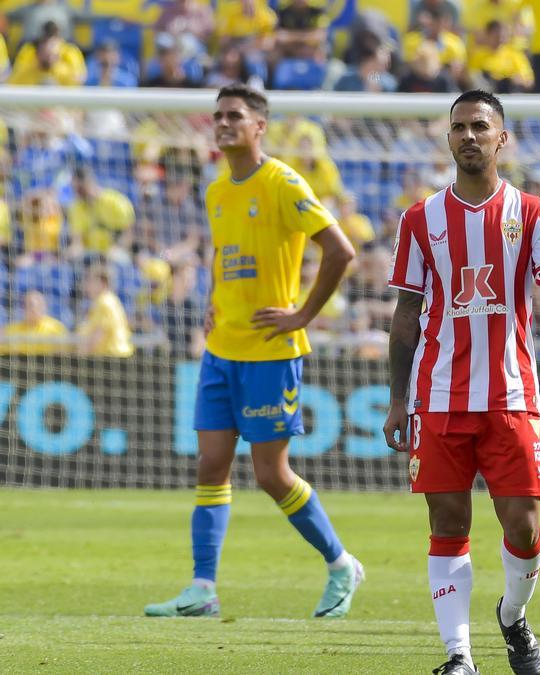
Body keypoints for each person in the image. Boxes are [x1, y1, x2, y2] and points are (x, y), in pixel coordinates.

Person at [382, 90, 540, 675]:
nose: (469, 136)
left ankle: (512, 616)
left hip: (512, 394)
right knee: (448, 524)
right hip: (440, 398)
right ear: (448, 140)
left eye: (480, 126)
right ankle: (459, 656)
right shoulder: (421, 219)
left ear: (502, 139)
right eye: (459, 128)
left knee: (522, 529)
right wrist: (399, 401)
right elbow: (405, 314)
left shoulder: (533, 212)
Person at [145, 84, 362, 619]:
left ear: (259, 126)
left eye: (234, 116)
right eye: (218, 116)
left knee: (270, 474)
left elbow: (340, 250)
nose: (223, 123)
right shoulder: (217, 191)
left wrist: (303, 315)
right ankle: (202, 588)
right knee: (211, 464)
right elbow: (226, 254)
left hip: (270, 351)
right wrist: (214, 304)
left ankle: (340, 564)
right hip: (221, 349)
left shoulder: (283, 182)